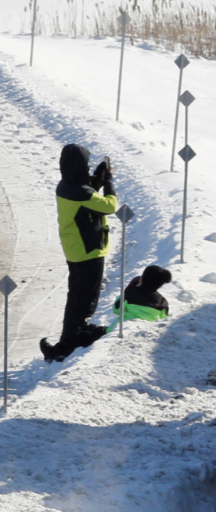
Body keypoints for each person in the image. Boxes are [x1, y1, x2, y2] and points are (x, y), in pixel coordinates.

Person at [40, 144, 117, 363]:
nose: (89, 166)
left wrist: (97, 179)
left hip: (76, 249)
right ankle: (67, 346)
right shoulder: (79, 192)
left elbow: (87, 193)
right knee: (85, 299)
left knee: (76, 297)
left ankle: (71, 336)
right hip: (88, 250)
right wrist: (109, 183)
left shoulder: (67, 185)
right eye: (87, 164)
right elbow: (109, 206)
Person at [106, 265, 171, 332]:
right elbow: (163, 320)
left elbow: (117, 310)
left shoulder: (130, 293)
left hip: (121, 330)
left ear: (143, 279)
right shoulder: (163, 302)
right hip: (145, 332)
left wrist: (129, 288)